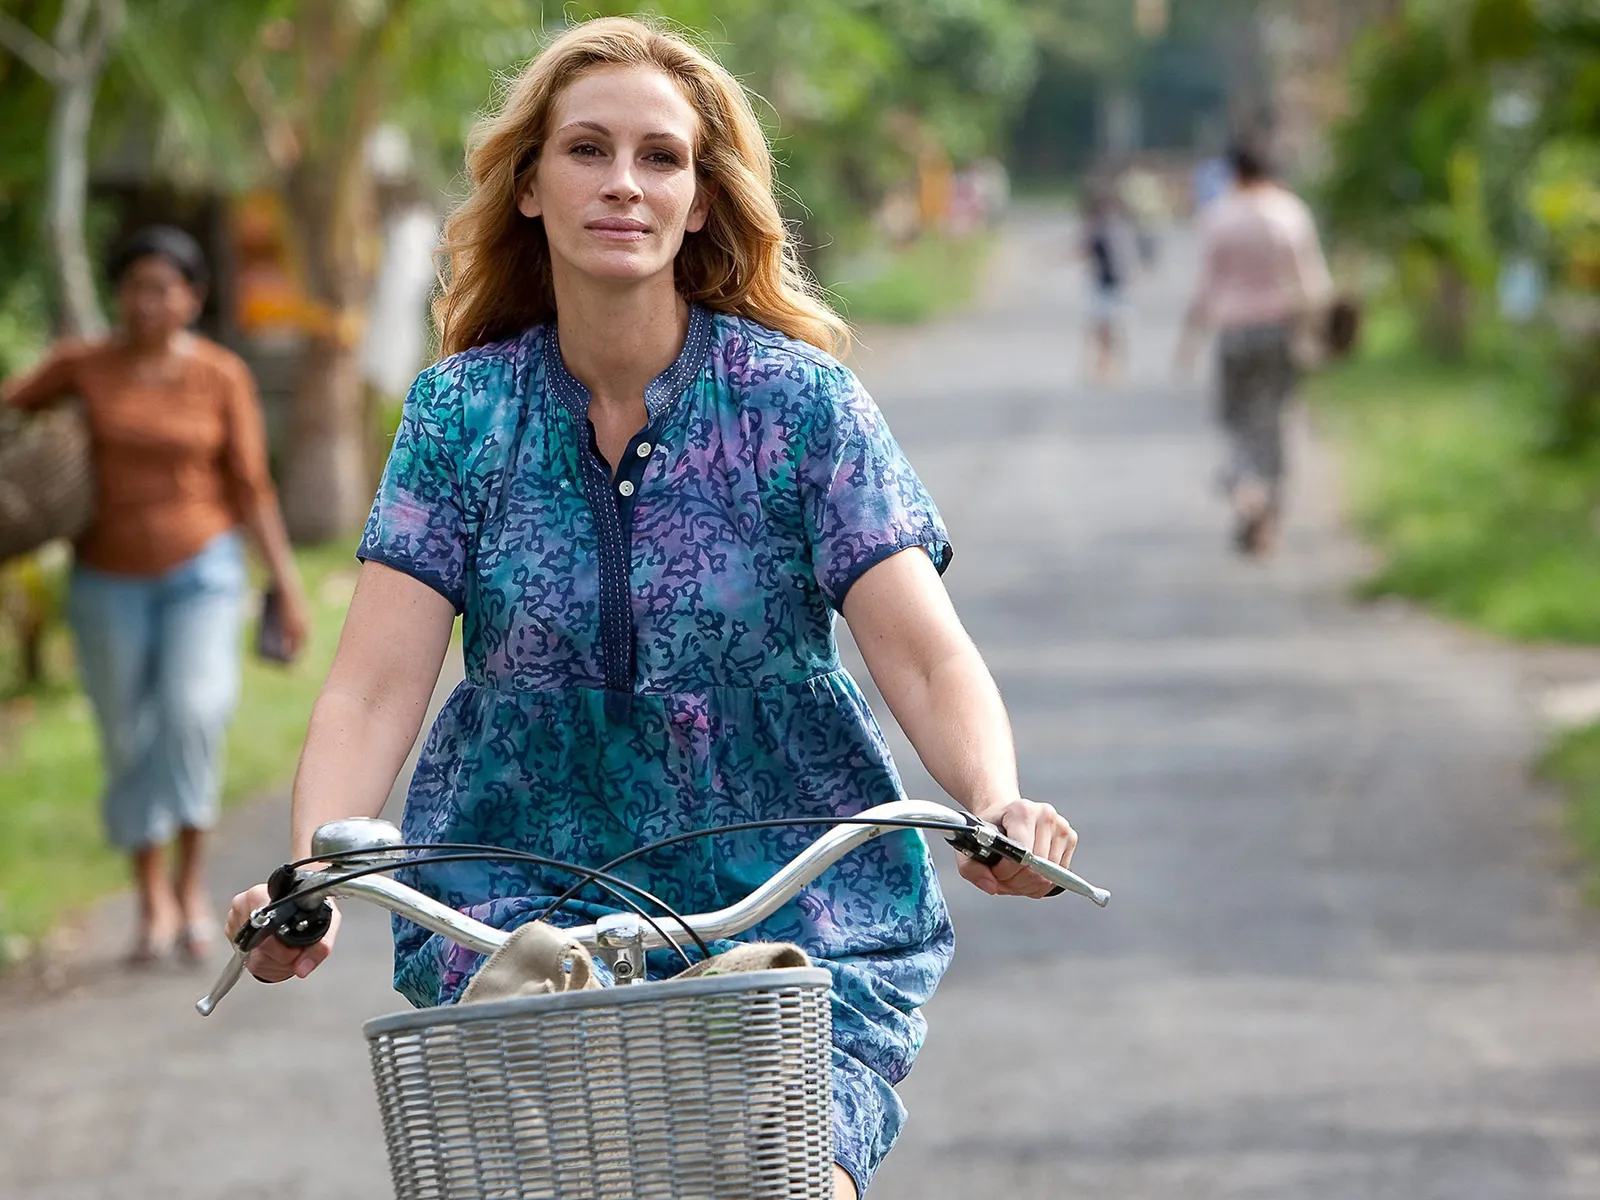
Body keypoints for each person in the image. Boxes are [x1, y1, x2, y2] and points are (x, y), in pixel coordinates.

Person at [224, 17, 1079, 1198]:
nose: (623, 182)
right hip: (523, 907)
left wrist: (994, 802)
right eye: (587, 149)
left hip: (793, 902)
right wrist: (307, 879)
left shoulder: (799, 405)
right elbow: (373, 685)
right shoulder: (460, 415)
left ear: (699, 198)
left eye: (660, 157)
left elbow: (925, 655)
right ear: (531, 187)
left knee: (789, 1180)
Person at [2, 225, 311, 963]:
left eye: (163, 288)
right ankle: (151, 899)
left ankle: (190, 884)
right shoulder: (82, 365)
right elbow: (11, 407)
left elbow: (251, 485)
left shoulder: (220, 374)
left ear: (192, 297)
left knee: (192, 713)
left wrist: (286, 583)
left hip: (202, 572)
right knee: (127, 736)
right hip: (105, 580)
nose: (147, 302)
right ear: (119, 294)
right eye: (135, 287)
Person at [1176, 141, 1332, 555]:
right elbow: (1311, 279)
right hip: (1280, 330)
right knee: (1276, 420)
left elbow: (1206, 287)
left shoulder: (1220, 216)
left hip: (1234, 333)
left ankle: (1247, 490)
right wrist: (1319, 333)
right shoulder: (1290, 213)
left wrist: (1189, 341)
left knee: (1237, 421)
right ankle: (1270, 516)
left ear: (1235, 173)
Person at [1080, 189, 1128, 385]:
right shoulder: (1105, 230)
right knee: (1102, 329)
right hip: (1105, 285)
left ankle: (1107, 368)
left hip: (1110, 286)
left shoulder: (1107, 230)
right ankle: (1103, 367)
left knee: (1106, 330)